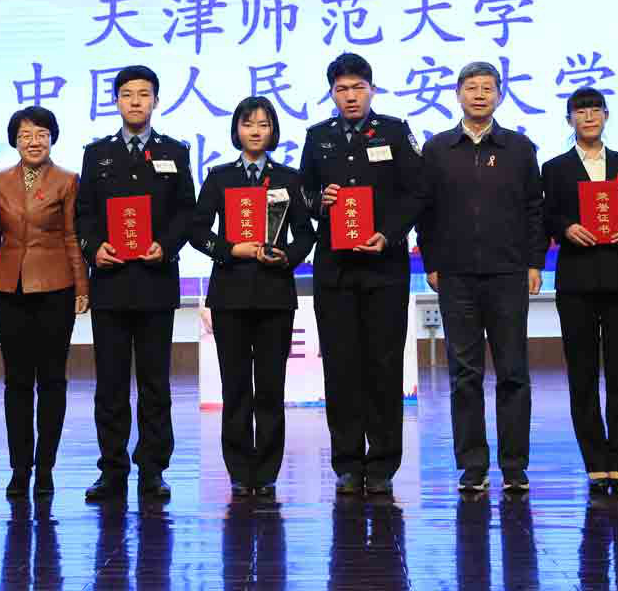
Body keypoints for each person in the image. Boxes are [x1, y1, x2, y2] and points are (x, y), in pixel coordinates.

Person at [299, 52, 426, 498]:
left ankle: (384, 464)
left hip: (384, 268)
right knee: (341, 367)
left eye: (358, 88)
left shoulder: (395, 132)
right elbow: (303, 194)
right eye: (342, 89)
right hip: (334, 271)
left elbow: (417, 194)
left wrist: (388, 234)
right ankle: (348, 464)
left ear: (372, 89)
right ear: (332, 94)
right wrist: (321, 199)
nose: (350, 96)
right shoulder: (318, 137)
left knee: (384, 366)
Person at [417, 62, 543, 495]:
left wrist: (534, 263)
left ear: (499, 95)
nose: (479, 94)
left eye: (488, 88)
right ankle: (472, 466)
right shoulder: (437, 149)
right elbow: (426, 212)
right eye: (471, 87)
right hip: (456, 276)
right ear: (458, 94)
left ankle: (514, 466)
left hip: (508, 272)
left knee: (513, 372)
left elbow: (534, 209)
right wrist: (432, 262)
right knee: (464, 374)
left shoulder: (519, 148)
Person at [75, 65, 196, 501]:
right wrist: (93, 248)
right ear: (116, 101)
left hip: (155, 282)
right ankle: (112, 470)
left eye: (144, 94)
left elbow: (187, 212)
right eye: (127, 94)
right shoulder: (97, 154)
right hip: (110, 284)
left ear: (156, 101)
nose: (135, 101)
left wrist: (166, 245)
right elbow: (84, 212)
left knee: (154, 384)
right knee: (109, 385)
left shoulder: (174, 152)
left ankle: (153, 469)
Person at [189, 97, 317, 500]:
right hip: (229, 295)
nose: (256, 131)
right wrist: (230, 250)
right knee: (236, 387)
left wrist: (287, 257)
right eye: (248, 124)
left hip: (275, 295)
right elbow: (197, 231)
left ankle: (268, 471)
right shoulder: (220, 177)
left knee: (271, 388)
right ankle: (240, 470)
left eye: (263, 124)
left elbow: (307, 235)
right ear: (236, 130)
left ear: (273, 131)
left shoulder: (290, 179)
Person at [541, 87, 618, 497]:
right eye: (580, 111)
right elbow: (546, 215)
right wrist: (565, 227)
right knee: (581, 375)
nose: (588, 117)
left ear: (606, 115)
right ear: (569, 119)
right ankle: (594, 461)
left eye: (595, 110)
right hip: (576, 282)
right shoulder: (554, 168)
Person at [0, 105, 90, 499]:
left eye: (41, 134)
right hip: (8, 289)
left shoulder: (68, 180)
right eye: (26, 135)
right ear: (14, 141)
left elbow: (72, 236)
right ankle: (19, 468)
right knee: (16, 381)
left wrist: (82, 287)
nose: (34, 142)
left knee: (52, 380)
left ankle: (45, 468)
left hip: (55, 287)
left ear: (52, 139)